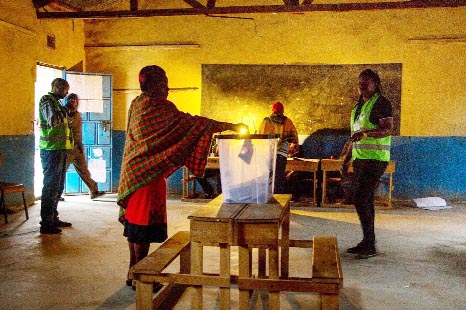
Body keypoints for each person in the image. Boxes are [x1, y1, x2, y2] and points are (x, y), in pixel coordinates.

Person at [117, 65, 247, 288]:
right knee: (143, 228)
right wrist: (229, 126)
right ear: (155, 84)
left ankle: (132, 273)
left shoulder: (136, 104)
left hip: (132, 172)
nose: (168, 88)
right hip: (148, 176)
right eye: (164, 83)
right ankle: (143, 278)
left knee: (134, 226)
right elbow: (193, 124)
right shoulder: (160, 107)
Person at [340, 69, 393, 259]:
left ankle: (369, 243)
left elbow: (387, 129)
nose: (362, 85)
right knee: (365, 198)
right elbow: (354, 136)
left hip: (376, 159)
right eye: (360, 82)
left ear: (375, 83)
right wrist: (346, 160)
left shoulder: (381, 103)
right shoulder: (358, 107)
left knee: (360, 197)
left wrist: (367, 134)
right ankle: (367, 242)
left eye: (366, 82)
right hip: (360, 159)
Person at [38, 78, 74, 234]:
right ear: (57, 87)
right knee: (51, 187)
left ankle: (53, 217)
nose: (66, 93)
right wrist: (66, 109)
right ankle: (46, 223)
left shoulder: (56, 103)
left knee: (58, 187)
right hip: (51, 150)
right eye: (65, 90)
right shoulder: (47, 100)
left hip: (60, 149)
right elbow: (53, 121)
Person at [60, 93, 105, 200]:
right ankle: (56, 195)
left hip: (76, 148)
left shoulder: (78, 116)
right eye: (71, 100)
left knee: (84, 170)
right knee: (60, 172)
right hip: (65, 149)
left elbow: (78, 133)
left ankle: (94, 191)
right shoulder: (63, 114)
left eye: (75, 101)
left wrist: (80, 145)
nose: (74, 103)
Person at [258, 101, 299, 194]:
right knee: (279, 176)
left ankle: (267, 195)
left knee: (267, 175)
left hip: (267, 153)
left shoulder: (266, 121)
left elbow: (259, 138)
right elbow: (294, 139)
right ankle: (278, 197)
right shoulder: (287, 121)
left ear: (273, 110)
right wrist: (293, 151)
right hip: (281, 154)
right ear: (282, 110)